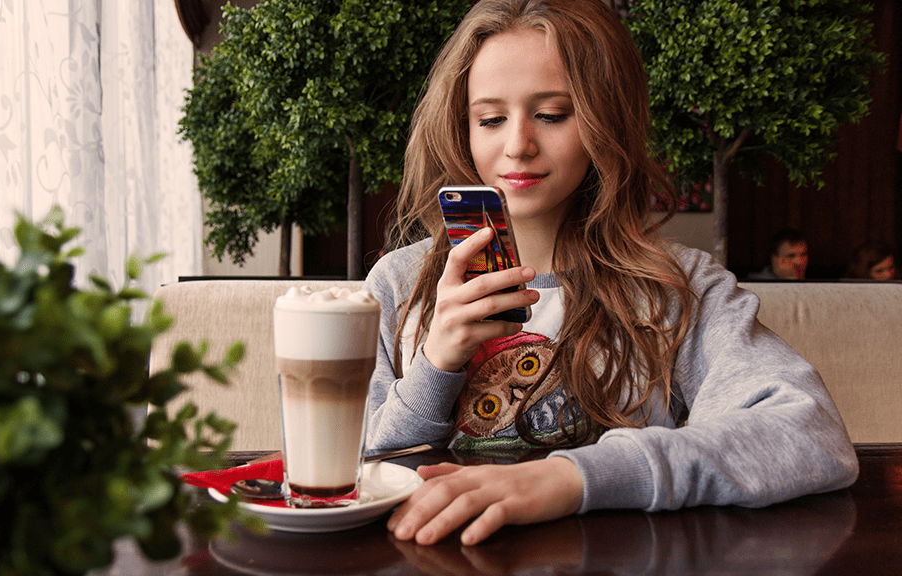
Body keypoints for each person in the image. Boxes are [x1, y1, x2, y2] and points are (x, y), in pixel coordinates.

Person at [362, 0, 856, 547]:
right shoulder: (399, 284)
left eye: (552, 114)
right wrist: (434, 366)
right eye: (490, 119)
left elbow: (810, 434)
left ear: (606, 118)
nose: (518, 145)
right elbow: (344, 468)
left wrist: (573, 477)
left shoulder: (677, 288)